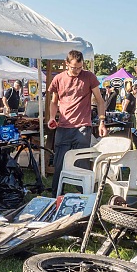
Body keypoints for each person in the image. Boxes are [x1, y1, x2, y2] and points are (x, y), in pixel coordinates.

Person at [48, 50, 107, 193]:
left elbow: (100, 101)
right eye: (74, 67)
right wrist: (51, 117)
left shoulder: (89, 77)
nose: (77, 71)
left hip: (82, 127)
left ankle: (85, 194)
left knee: (81, 163)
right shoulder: (58, 79)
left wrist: (101, 121)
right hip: (63, 126)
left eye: (80, 67)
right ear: (66, 64)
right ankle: (56, 194)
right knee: (59, 163)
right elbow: (54, 102)